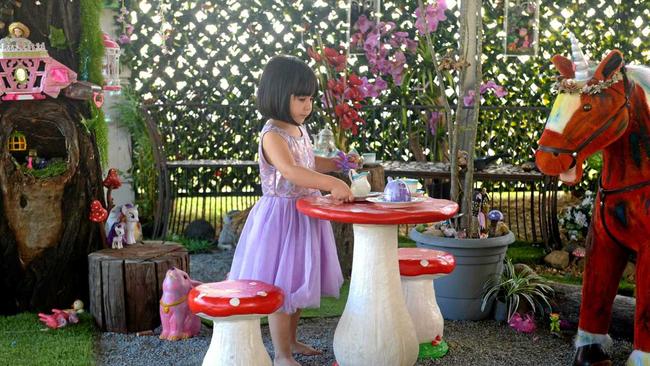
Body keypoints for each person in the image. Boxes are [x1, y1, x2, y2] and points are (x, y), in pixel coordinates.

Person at [228, 55, 355, 366]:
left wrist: (339, 163)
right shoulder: (272, 133)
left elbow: (307, 163)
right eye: (301, 98)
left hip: (304, 216)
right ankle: (281, 354)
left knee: (298, 282)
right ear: (278, 93)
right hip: (281, 219)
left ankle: (293, 340)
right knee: (281, 288)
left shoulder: (299, 129)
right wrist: (330, 183)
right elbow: (290, 171)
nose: (307, 105)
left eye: (310, 98)